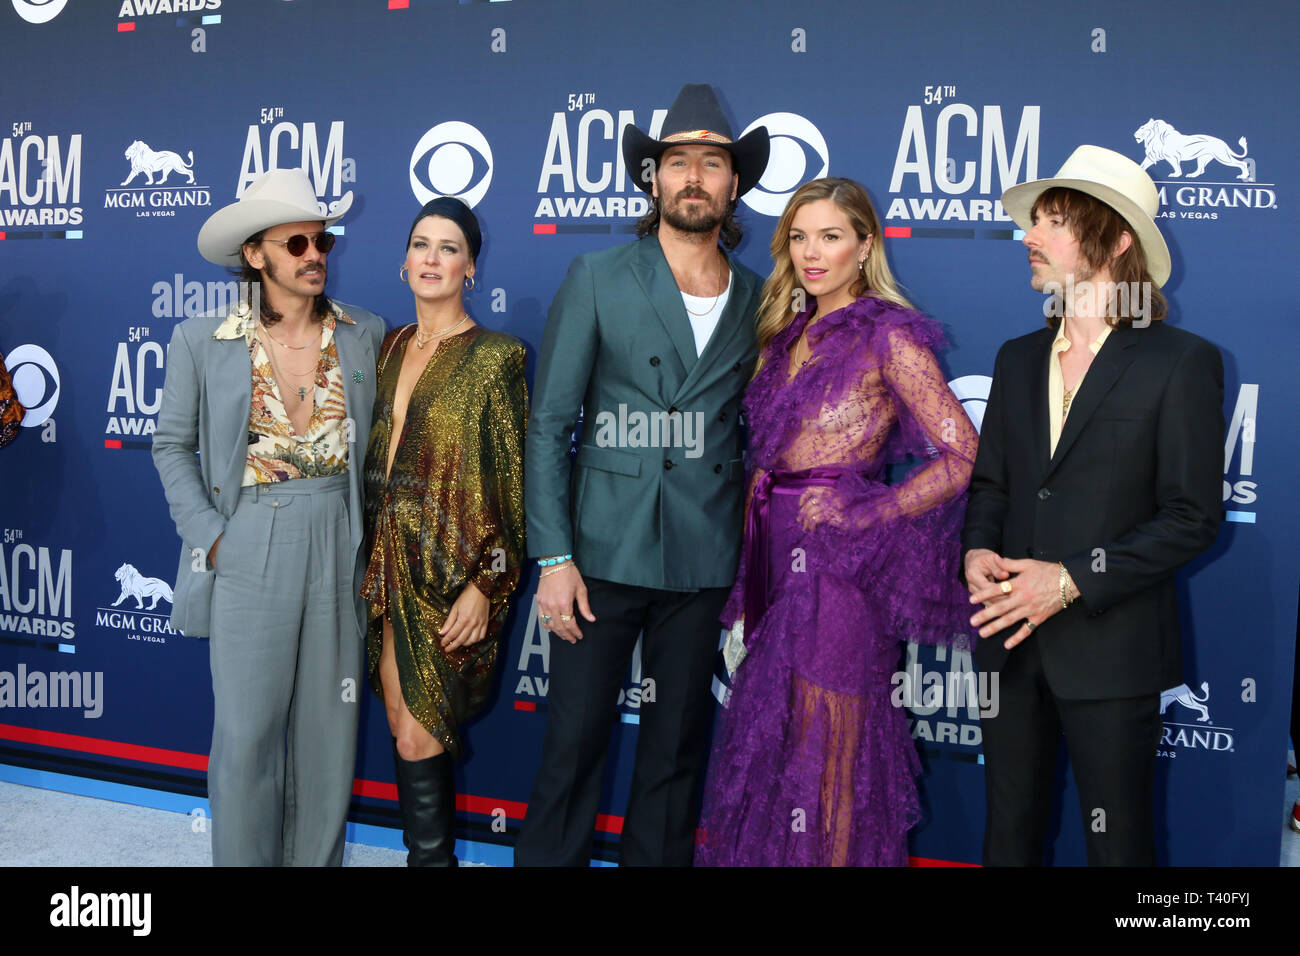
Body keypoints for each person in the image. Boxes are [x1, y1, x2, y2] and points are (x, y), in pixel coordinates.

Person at [513, 83, 769, 867]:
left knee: (676, 754)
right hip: (598, 557)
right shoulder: (597, 274)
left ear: (734, 184)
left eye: (713, 163)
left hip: (701, 560)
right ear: (652, 178)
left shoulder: (761, 298)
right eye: (678, 161)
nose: (695, 176)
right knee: (574, 748)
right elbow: (550, 425)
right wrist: (553, 559)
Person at [694, 177, 979, 866]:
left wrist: (873, 508)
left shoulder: (887, 334)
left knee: (833, 752)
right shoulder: (779, 336)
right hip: (769, 553)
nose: (812, 253)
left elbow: (962, 453)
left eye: (830, 236)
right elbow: (763, 466)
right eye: (799, 237)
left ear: (864, 245)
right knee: (774, 746)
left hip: (841, 570)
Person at [962, 145, 1224, 866]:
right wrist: (976, 552)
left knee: (1119, 850)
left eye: (1053, 222)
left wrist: (1069, 578)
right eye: (1033, 222)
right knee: (1007, 839)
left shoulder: (1181, 361)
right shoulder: (1016, 357)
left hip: (1113, 653)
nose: (1029, 238)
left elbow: (1192, 516)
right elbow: (991, 487)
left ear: (1114, 240)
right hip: (1009, 646)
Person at [153, 167, 386, 865]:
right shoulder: (202, 340)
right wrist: (215, 540)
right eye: (296, 244)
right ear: (255, 255)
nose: (315, 254)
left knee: (328, 736)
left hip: (338, 539)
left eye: (322, 240)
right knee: (248, 735)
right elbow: (170, 446)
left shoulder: (365, 333)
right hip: (250, 537)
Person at [360, 198, 527, 866]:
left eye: (448, 247)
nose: (432, 258)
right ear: (403, 263)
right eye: (421, 245)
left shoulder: (497, 358)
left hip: (448, 572)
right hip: (381, 562)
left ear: (471, 267)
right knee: (405, 727)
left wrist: (487, 585)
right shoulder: (388, 346)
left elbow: (513, 488)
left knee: (422, 733)